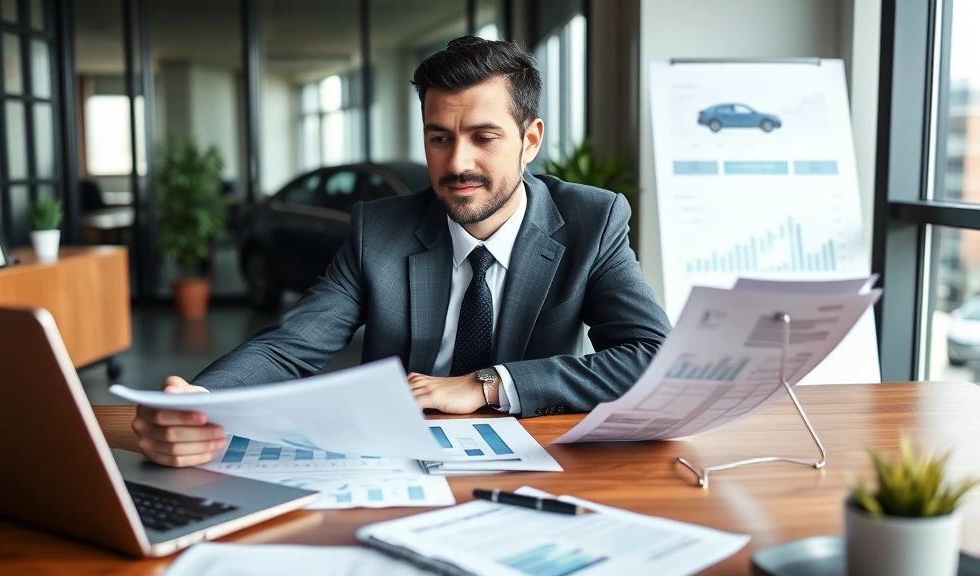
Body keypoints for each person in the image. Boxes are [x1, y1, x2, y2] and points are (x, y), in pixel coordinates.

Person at [132, 36, 672, 467]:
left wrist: (488, 386)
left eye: (484, 137)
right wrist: (197, 403)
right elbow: (288, 348)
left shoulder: (591, 221)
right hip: (395, 464)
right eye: (439, 138)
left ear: (530, 141)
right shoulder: (379, 230)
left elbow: (653, 358)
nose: (457, 163)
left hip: (535, 464)